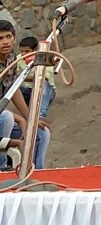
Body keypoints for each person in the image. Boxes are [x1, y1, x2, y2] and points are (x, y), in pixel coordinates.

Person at [0, 21, 48, 171]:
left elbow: (14, 89)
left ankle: (35, 172)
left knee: (40, 132)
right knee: (7, 117)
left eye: (8, 37)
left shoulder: (12, 58)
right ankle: (2, 168)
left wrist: (30, 118)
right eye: (0, 38)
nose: (5, 42)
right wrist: (19, 118)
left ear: (14, 38)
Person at [16, 36, 55, 169]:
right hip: (26, 89)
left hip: (44, 89)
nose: (24, 55)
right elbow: (15, 78)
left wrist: (26, 75)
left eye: (27, 52)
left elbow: (44, 76)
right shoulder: (17, 59)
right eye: (22, 52)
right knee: (18, 87)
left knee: (42, 86)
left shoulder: (44, 58)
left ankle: (40, 115)